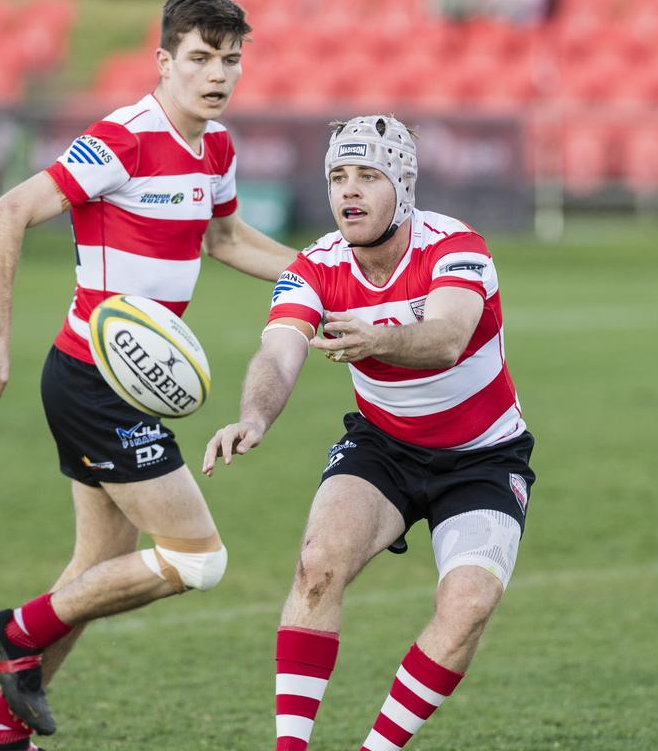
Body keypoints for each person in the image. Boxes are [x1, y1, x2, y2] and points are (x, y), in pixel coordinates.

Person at [0, 0, 296, 750]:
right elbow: (2, 214)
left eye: (231, 60)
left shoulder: (216, 148)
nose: (218, 74)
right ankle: (13, 628)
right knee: (198, 560)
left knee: (95, 568)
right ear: (164, 61)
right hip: (90, 381)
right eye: (202, 59)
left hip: (130, 384)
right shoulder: (122, 139)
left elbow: (226, 240)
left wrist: (315, 280)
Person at [203, 115, 535, 751]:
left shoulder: (456, 247)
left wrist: (377, 337)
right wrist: (253, 416)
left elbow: (447, 339)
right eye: (337, 177)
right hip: (383, 446)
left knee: (466, 607)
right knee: (317, 567)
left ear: (404, 186)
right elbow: (277, 354)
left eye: (368, 176)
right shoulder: (315, 267)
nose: (348, 192)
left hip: (483, 458)